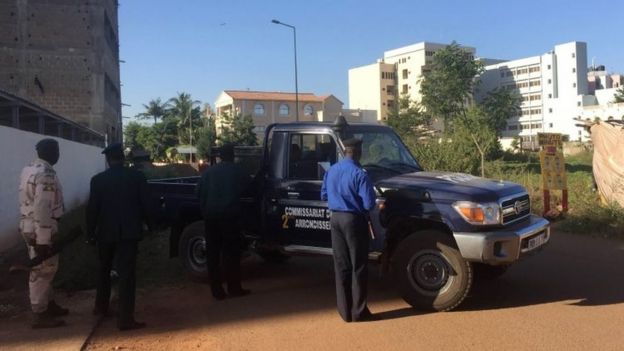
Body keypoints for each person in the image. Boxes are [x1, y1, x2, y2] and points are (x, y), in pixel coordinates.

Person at [86, 143, 151, 331]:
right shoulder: (136, 177)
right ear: (123, 158)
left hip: (105, 233)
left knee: (104, 269)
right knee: (127, 275)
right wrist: (151, 225)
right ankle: (125, 318)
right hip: (129, 233)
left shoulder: (97, 180)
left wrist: (90, 233)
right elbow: (147, 203)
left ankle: (101, 307)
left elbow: (92, 210)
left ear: (108, 160)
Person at [321, 138, 378, 323]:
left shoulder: (331, 171)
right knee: (358, 266)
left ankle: (344, 312)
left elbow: (323, 195)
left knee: (341, 265)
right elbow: (369, 203)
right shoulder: (360, 173)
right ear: (358, 152)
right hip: (354, 221)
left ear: (345, 151)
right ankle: (359, 311)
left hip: (335, 219)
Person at [18, 138, 68, 329]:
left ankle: (49, 304)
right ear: (49, 152)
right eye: (56, 151)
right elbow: (43, 207)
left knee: (47, 268)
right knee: (43, 270)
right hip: (41, 229)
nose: (58, 154)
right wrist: (44, 239)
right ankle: (40, 313)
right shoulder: (46, 174)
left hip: (28, 225)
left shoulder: (29, 168)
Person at [197, 144, 250, 300]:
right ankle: (234, 288)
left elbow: (198, 193)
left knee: (212, 254)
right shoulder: (238, 171)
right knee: (231, 253)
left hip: (211, 217)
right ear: (232, 155)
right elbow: (250, 188)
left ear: (220, 156)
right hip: (230, 217)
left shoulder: (209, 173)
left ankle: (217, 291)